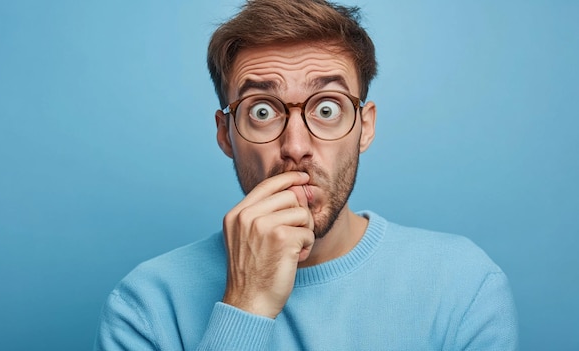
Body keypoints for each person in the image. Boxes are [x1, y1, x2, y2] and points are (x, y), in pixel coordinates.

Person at [94, 0, 519, 349]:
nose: (296, 147)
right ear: (226, 135)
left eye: (327, 108)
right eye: (262, 111)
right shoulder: (145, 306)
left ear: (364, 127)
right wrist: (247, 304)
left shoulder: (464, 285)